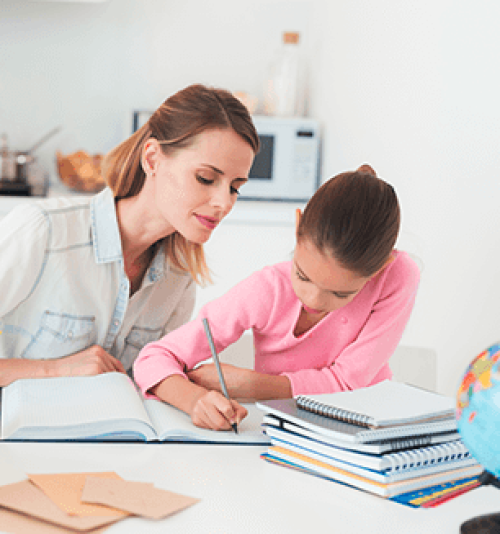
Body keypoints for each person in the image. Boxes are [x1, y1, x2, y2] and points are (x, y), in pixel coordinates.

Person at [0, 84, 258, 387]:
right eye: (206, 178)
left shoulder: (180, 275)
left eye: (235, 187)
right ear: (152, 160)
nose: (224, 203)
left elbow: (152, 380)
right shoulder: (43, 231)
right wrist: (57, 370)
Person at [133, 165, 421, 432]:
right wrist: (194, 400)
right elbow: (153, 358)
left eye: (340, 293)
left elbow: (349, 383)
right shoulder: (268, 289)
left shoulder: (397, 275)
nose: (314, 299)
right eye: (303, 275)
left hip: (367, 428)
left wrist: (252, 385)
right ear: (297, 229)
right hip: (284, 433)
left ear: (380, 267)